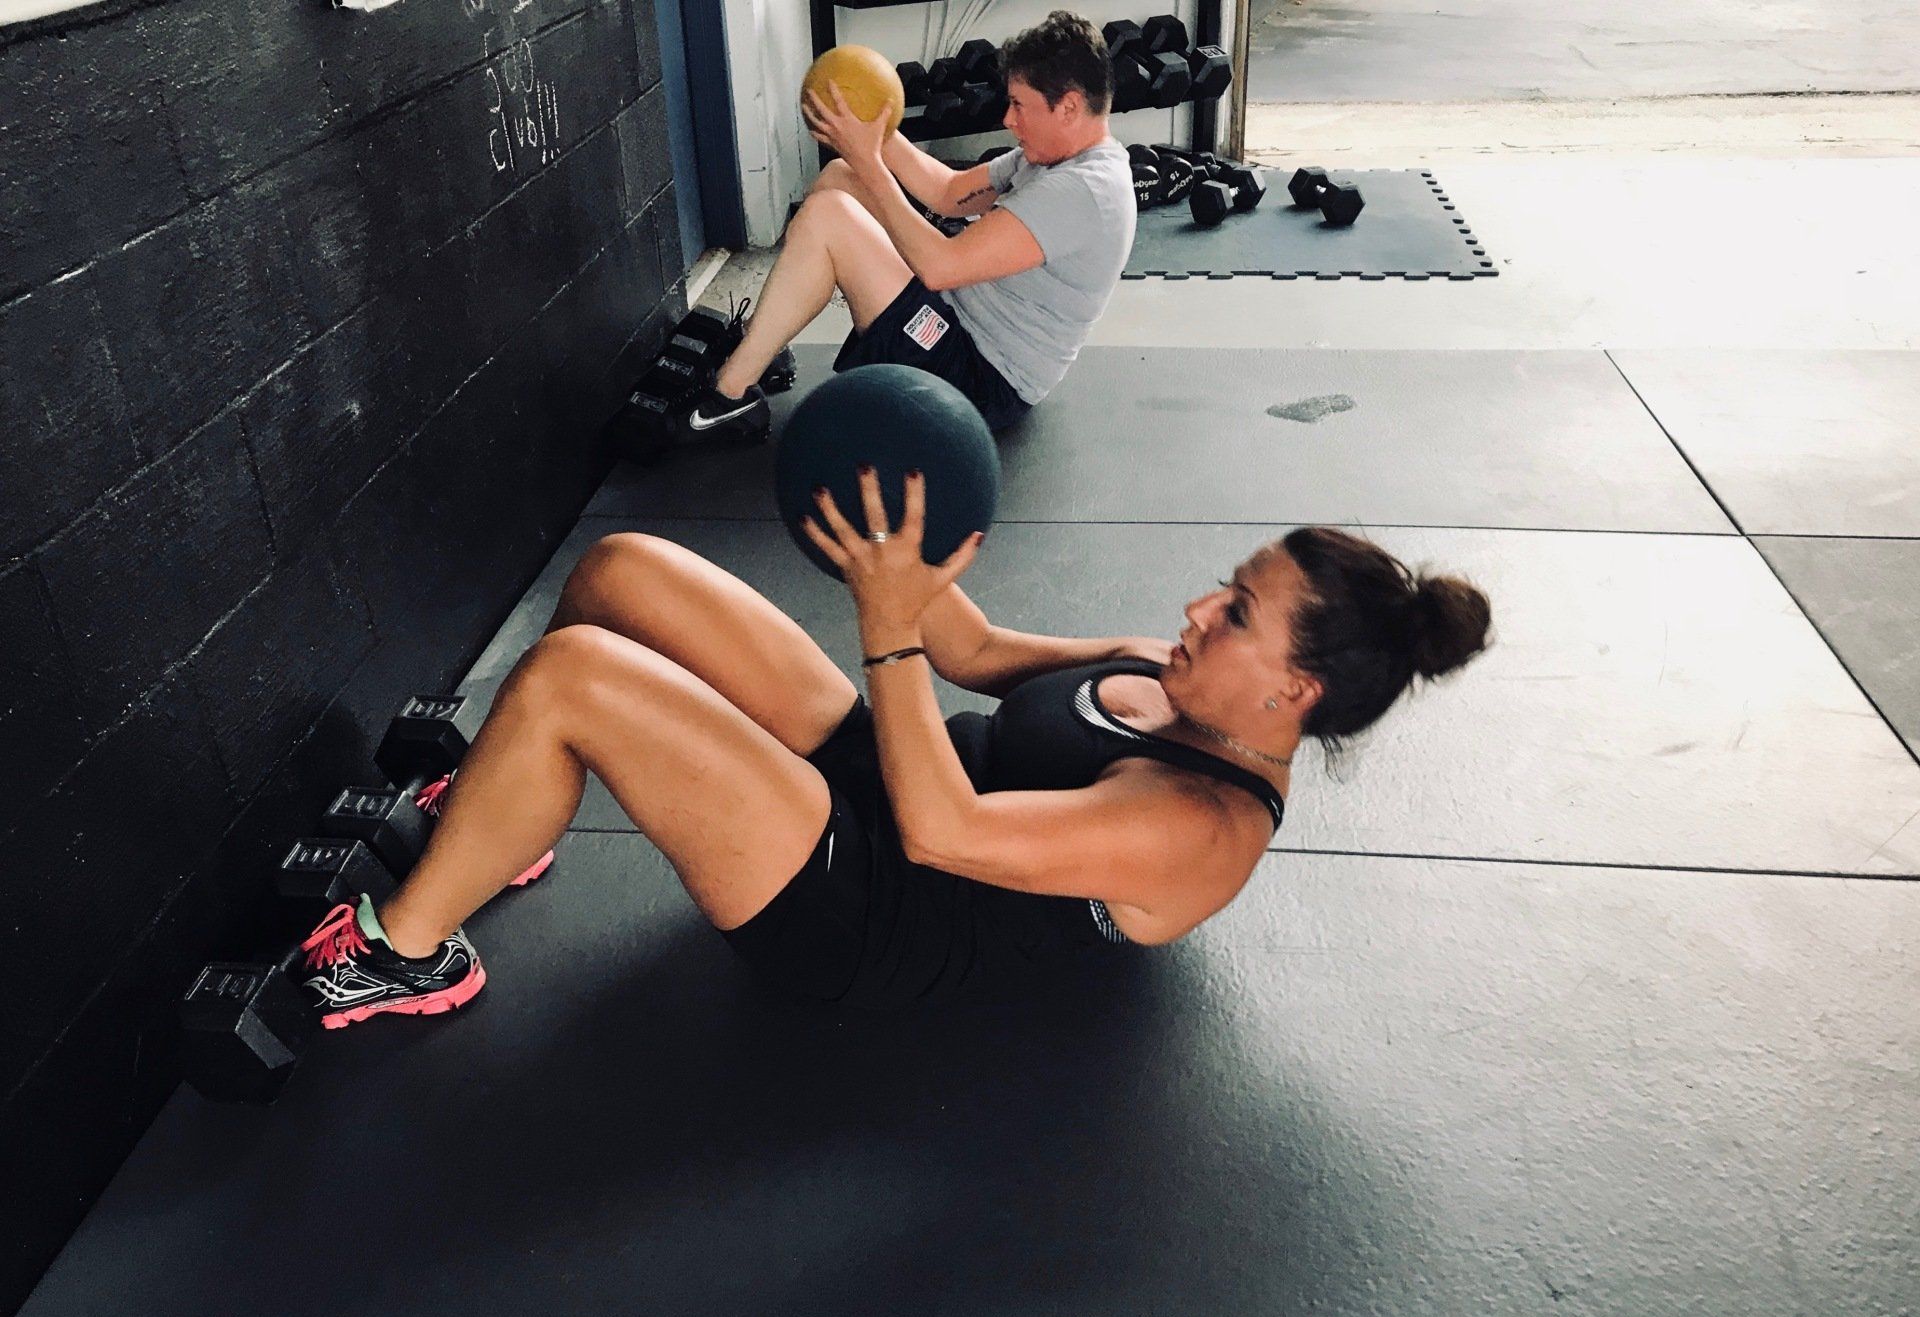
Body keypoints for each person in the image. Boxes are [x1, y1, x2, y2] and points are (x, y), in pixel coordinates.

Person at [295, 476, 1492, 1024]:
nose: (1197, 608)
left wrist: (883, 632)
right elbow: (969, 652)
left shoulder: (1204, 825)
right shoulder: (1171, 672)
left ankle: (406, 955)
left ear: (1294, 687)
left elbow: (946, 832)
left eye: (1234, 612)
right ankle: (501, 821)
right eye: (1226, 583)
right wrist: (890, 533)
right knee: (625, 571)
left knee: (576, 678)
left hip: (871, 909)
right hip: (881, 773)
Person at [684, 11, 1135, 440]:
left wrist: (871, 160)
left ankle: (726, 396)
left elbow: (941, 266)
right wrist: (874, 124)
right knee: (843, 177)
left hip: (979, 378)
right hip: (957, 315)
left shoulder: (1084, 192)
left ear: (1070, 108)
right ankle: (764, 344)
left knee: (829, 218)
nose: (1008, 119)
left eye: (1019, 105)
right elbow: (949, 193)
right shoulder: (1052, 158)